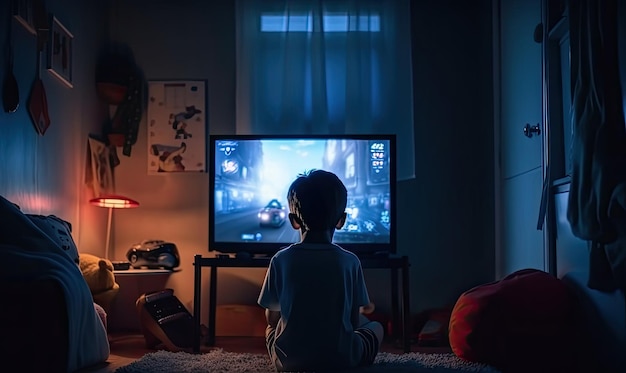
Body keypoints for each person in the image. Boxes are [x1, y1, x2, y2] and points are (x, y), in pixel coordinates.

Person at [258, 169, 384, 372]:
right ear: (341, 220)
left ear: (294, 221)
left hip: (290, 362)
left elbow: (272, 319)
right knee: (375, 327)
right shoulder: (350, 261)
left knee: (270, 329)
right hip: (342, 360)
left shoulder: (280, 260)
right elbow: (352, 322)